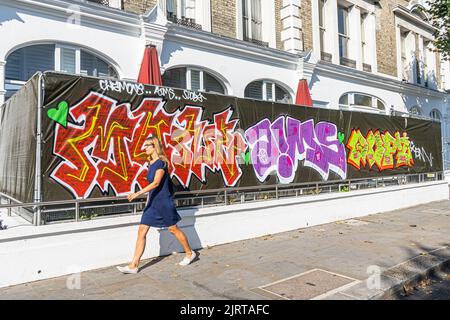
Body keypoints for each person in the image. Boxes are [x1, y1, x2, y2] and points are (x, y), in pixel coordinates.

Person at [117, 135, 196, 274]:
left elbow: (156, 183)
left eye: (147, 145)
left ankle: (190, 253)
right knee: (142, 231)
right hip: (153, 203)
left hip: (164, 203)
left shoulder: (161, 163)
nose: (145, 148)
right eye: (145, 145)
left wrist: (137, 193)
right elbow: (153, 186)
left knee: (173, 229)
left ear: (155, 146)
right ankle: (134, 265)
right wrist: (147, 199)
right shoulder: (151, 163)